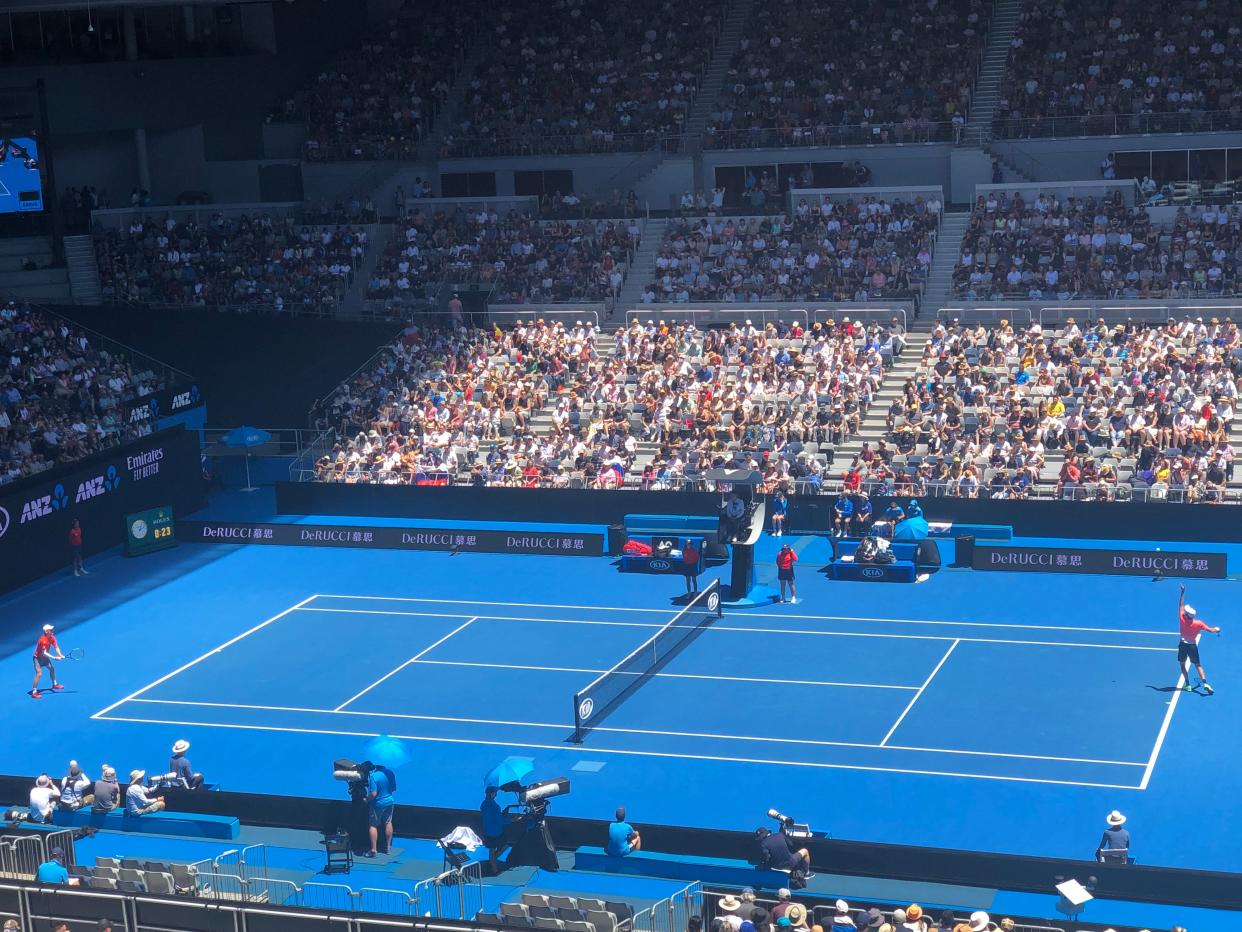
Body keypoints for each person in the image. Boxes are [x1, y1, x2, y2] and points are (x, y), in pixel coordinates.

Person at [1177, 585, 1220, 694]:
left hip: (1183, 645)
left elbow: (1180, 604)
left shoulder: (1182, 618)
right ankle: (1205, 683)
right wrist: (1216, 630)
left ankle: (1187, 685)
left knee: (1182, 664)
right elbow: (1210, 630)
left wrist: (1183, 592)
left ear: (1186, 614)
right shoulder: (1199, 624)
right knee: (1198, 665)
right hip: (1192, 646)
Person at [365, 763, 396, 857]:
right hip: (390, 802)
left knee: (373, 825)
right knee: (388, 822)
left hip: (377, 805)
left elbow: (373, 794)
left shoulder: (373, 776)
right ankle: (388, 848)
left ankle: (373, 850)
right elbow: (394, 788)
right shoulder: (390, 773)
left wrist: (366, 799)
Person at [31, 622, 65, 699]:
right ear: (46, 631)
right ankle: (34, 692)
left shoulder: (52, 637)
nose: (52, 630)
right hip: (38, 658)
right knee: (39, 674)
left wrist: (60, 655)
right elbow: (44, 653)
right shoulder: (43, 640)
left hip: (45, 657)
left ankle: (55, 684)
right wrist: (55, 658)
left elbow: (56, 647)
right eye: (50, 629)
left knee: (51, 669)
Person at [480, 785, 507, 874]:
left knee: (491, 849)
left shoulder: (483, 804)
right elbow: (499, 820)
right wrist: (512, 820)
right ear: (492, 794)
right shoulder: (495, 806)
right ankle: (493, 863)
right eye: (495, 793)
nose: (496, 794)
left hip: (487, 832)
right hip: (496, 832)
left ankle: (493, 865)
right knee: (504, 845)